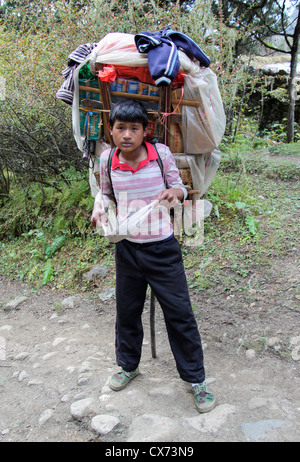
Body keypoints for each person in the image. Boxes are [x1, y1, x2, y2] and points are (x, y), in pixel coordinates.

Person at [91, 99, 216, 413]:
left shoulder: (161, 155)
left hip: (162, 249)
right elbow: (105, 194)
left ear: (146, 131)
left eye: (135, 128)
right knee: (127, 312)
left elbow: (179, 187)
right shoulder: (107, 161)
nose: (127, 135)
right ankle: (128, 366)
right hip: (127, 250)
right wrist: (99, 210)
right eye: (121, 128)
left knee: (180, 314)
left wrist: (177, 193)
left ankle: (196, 380)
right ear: (111, 130)